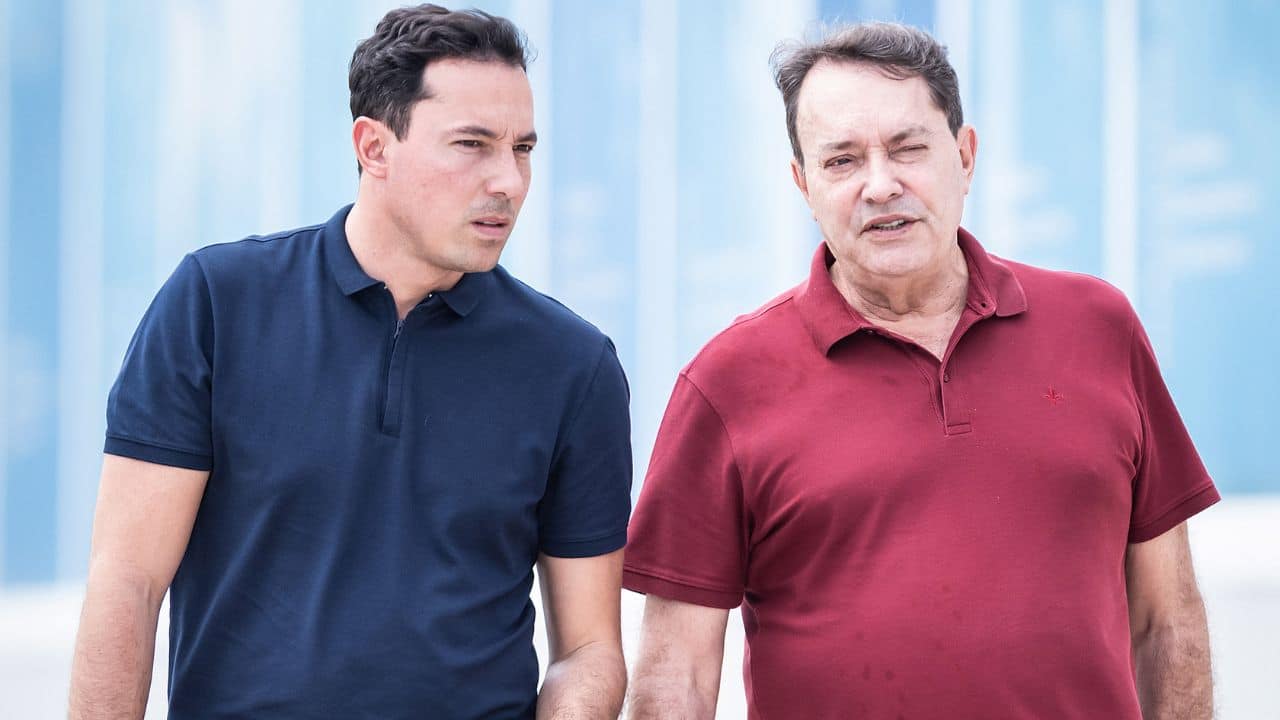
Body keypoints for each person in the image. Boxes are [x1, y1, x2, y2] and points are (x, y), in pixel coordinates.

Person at [623, 21, 1217, 720]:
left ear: (965, 157)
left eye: (908, 149)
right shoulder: (726, 383)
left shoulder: (1099, 328)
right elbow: (676, 679)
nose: (880, 185)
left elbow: (1167, 620)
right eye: (841, 161)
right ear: (803, 184)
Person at [67, 6, 631, 719]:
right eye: (472, 144)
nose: (510, 181)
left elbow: (587, 651)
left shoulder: (573, 366)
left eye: (522, 148)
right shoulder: (215, 304)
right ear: (374, 147)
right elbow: (128, 582)